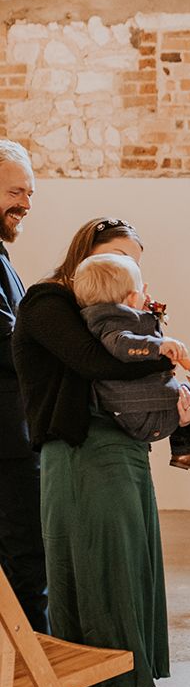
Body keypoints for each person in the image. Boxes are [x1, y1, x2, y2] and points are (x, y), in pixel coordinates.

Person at [13, 217, 190, 687]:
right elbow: (98, 365)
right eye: (118, 255)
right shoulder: (49, 303)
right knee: (106, 592)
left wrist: (177, 408)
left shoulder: (112, 316)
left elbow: (126, 388)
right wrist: (163, 355)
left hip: (118, 458)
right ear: (86, 253)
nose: (128, 270)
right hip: (83, 461)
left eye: (135, 262)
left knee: (127, 585)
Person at [72, 252, 190, 466]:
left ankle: (185, 451)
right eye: (140, 290)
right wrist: (158, 346)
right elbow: (121, 344)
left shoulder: (104, 319)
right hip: (144, 414)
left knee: (182, 391)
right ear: (131, 298)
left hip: (138, 411)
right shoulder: (113, 323)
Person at [0, 141, 44, 636]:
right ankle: (36, 676)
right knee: (27, 559)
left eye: (30, 193)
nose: (26, 204)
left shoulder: (2, 255)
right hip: (6, 442)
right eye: (15, 192)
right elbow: (10, 339)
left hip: (15, 433)